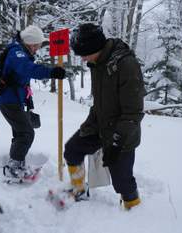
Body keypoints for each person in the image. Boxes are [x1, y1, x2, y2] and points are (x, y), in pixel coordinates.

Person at [65, 23, 145, 209]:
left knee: (122, 180)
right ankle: (78, 190)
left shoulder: (126, 65)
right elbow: (100, 102)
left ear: (95, 47)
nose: (83, 59)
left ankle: (133, 207)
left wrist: (116, 144)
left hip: (122, 134)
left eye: (84, 54)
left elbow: (133, 113)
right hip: (100, 126)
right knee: (72, 149)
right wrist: (89, 125)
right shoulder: (97, 63)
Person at [0, 25, 66, 179]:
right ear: (31, 43)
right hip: (10, 101)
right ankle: (13, 167)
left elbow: (23, 80)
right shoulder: (17, 54)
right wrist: (51, 72)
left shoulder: (19, 51)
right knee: (27, 133)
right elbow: (29, 69)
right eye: (37, 46)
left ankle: (16, 163)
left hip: (14, 100)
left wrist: (29, 102)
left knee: (20, 132)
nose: (37, 49)